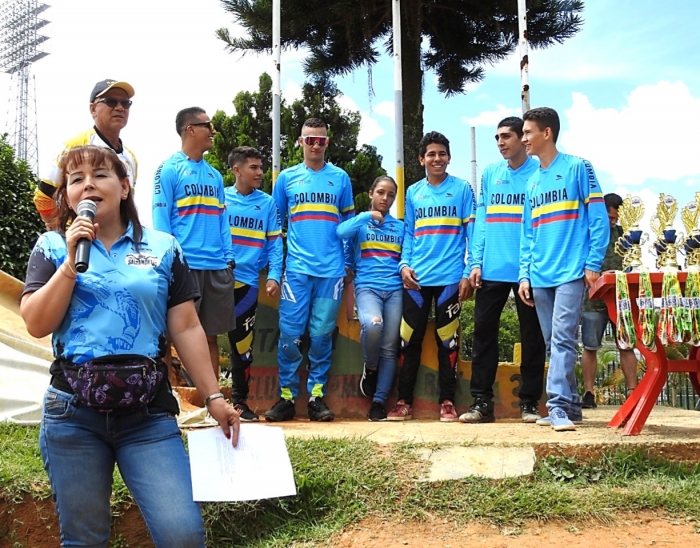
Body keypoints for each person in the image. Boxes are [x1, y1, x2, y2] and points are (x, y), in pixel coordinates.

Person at [20, 145, 241, 547]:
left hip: (147, 414)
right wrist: (70, 264)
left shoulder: (163, 247)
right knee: (84, 539)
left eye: (100, 174)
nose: (88, 184)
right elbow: (36, 323)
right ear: (67, 196)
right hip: (72, 413)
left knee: (182, 535)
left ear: (124, 187)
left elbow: (187, 326)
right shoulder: (50, 247)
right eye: (75, 179)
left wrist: (213, 397)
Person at [517, 107, 608, 432]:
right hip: (540, 275)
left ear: (547, 133)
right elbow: (528, 233)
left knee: (564, 339)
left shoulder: (578, 168)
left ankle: (555, 406)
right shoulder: (531, 183)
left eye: (527, 132)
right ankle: (570, 405)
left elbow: (598, 219)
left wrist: (593, 262)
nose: (523, 138)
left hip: (571, 271)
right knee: (553, 341)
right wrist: (524, 274)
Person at [265, 117, 355, 422]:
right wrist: (276, 270)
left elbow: (349, 225)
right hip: (297, 271)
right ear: (300, 142)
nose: (316, 145)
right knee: (290, 336)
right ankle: (287, 398)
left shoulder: (341, 178)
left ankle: (317, 398)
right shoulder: (286, 179)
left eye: (322, 140)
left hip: (331, 273)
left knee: (320, 337)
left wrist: (346, 265)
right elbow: (275, 229)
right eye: (310, 140)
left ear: (327, 143)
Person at [460, 117, 546, 424]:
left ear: (522, 139)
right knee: (484, 335)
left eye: (506, 136)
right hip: (492, 269)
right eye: (497, 137)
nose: (500, 142)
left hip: (528, 272)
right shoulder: (490, 174)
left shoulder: (540, 172)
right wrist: (475, 262)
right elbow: (481, 222)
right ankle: (481, 402)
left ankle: (530, 402)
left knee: (532, 337)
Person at [388, 131, 476, 422]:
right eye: (431, 154)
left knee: (447, 342)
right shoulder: (413, 192)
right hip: (417, 279)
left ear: (449, 157)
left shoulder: (463, 189)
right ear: (421, 159)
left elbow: (471, 234)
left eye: (442, 154)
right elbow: (409, 233)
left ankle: (447, 401)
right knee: (407, 340)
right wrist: (404, 265)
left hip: (451, 277)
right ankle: (404, 402)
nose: (437, 159)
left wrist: (467, 272)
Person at [152, 107, 236, 378]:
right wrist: (169, 262)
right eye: (207, 125)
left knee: (210, 337)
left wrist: (228, 256)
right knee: (169, 337)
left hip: (215, 267)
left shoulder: (215, 175)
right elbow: (160, 218)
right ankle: (166, 400)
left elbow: (223, 219)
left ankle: (212, 403)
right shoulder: (168, 169)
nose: (213, 131)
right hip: (184, 266)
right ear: (190, 129)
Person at [337, 175, 404, 421]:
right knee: (373, 325)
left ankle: (378, 402)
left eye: (390, 195)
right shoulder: (360, 223)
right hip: (367, 288)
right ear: (371, 194)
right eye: (381, 193)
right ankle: (371, 367)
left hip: (395, 290)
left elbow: (404, 257)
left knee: (390, 347)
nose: (385, 198)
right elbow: (340, 232)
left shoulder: (399, 227)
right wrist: (366, 216)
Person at [224, 146, 283, 421]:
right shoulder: (220, 198)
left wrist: (273, 275)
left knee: (243, 346)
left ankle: (239, 401)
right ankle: (209, 400)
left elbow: (275, 244)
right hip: (216, 279)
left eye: (261, 167)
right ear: (237, 170)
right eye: (254, 167)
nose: (260, 172)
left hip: (248, 282)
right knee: (204, 340)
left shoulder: (268, 203)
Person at [34, 79, 138, 227]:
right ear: (93, 109)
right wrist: (63, 232)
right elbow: (43, 197)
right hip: (80, 242)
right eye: (111, 102)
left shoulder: (130, 158)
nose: (120, 108)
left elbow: (127, 204)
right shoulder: (74, 146)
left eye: (125, 103)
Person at [581, 193, 638, 408]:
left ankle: (632, 392)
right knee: (590, 345)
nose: (612, 222)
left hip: (620, 297)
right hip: (592, 299)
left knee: (626, 344)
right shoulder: (588, 233)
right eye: (608, 217)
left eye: (615, 218)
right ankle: (588, 392)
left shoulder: (625, 234)